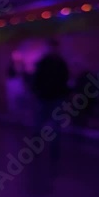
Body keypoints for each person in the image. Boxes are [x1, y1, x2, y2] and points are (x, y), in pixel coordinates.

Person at [31, 39, 69, 174]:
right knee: (41, 125)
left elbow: (65, 80)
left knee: (53, 126)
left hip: (54, 97)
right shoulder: (46, 63)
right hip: (45, 97)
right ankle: (37, 149)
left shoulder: (59, 63)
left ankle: (53, 151)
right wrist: (37, 92)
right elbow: (36, 79)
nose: (54, 50)